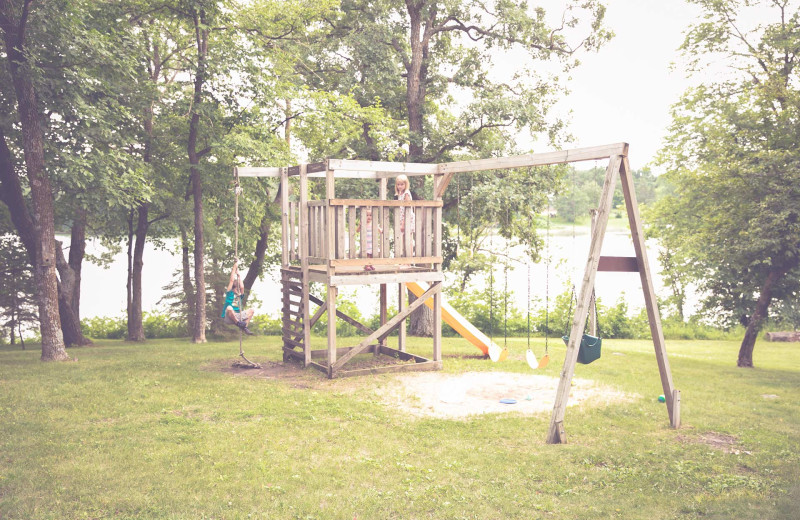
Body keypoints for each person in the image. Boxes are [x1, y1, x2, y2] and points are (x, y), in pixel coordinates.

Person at [222, 260, 254, 335]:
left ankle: (245, 327)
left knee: (251, 310)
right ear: (233, 289)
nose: (238, 290)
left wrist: (239, 276)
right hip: (229, 317)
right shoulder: (229, 293)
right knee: (229, 307)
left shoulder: (240, 296)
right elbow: (231, 280)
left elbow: (242, 286)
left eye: (239, 289)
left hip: (237, 315)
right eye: (237, 289)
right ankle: (239, 324)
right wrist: (234, 267)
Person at [395, 174, 415, 254]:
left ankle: (408, 262)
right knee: (404, 240)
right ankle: (404, 261)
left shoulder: (406, 193)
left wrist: (403, 223)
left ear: (406, 184)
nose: (400, 186)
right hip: (403, 218)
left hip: (407, 218)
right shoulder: (400, 193)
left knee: (408, 239)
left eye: (402, 184)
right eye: (398, 184)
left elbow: (407, 208)